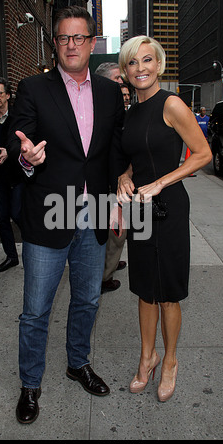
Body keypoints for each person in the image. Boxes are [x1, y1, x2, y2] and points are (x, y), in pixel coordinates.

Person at [7, 6, 125, 424]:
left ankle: (78, 363)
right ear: (55, 43)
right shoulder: (33, 88)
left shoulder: (111, 93)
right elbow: (17, 142)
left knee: (88, 300)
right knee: (36, 310)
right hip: (48, 217)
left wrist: (115, 202)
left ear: (92, 43)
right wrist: (27, 158)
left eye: (80, 37)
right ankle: (30, 384)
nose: (71, 45)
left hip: (93, 213)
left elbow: (112, 152)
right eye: (63, 38)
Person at [116, 36, 212, 402]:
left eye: (146, 61)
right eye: (132, 63)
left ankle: (169, 361)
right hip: (140, 206)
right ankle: (147, 357)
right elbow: (133, 155)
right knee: (144, 289)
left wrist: (160, 181)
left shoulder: (171, 104)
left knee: (168, 292)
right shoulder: (130, 113)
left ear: (159, 64)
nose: (140, 68)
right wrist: (124, 176)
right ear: (125, 71)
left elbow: (201, 154)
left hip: (169, 206)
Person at [94, 62, 127, 293]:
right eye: (117, 79)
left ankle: (112, 265)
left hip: (119, 182)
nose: (122, 83)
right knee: (115, 232)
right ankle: (105, 276)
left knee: (117, 232)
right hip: (109, 185)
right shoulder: (99, 111)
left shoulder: (115, 108)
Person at [0, 77, 23, 272]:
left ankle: (33, 244)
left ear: (8, 95)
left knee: (17, 213)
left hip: (16, 175)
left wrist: (9, 150)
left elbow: (26, 140)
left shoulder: (18, 117)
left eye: (0, 93)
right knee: (1, 217)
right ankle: (11, 256)